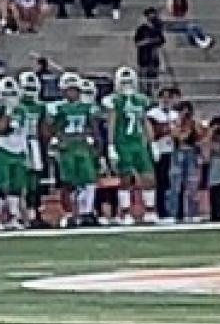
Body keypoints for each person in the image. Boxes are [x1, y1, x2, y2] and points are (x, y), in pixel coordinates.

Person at [47, 72, 103, 227]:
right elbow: (51, 128)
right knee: (69, 183)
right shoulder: (57, 107)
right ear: (63, 91)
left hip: (83, 147)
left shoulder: (87, 107)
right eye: (69, 89)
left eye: (75, 89)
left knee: (89, 180)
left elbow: (94, 128)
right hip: (67, 148)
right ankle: (70, 213)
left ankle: (87, 212)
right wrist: (55, 142)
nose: (73, 93)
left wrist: (98, 147)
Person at [103, 67, 157, 224]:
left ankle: (150, 210)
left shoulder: (140, 100)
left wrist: (152, 142)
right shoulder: (115, 101)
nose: (127, 84)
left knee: (148, 177)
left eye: (129, 81)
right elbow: (112, 123)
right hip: (123, 143)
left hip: (139, 143)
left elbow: (145, 121)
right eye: (124, 82)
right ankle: (125, 212)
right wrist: (111, 145)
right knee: (125, 179)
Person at [0, 77, 35, 230]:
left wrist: (27, 153)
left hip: (19, 152)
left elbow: (25, 133)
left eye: (12, 94)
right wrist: (8, 112)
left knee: (16, 188)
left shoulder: (23, 110)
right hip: (3, 150)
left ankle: (13, 217)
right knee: (0, 186)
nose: (9, 97)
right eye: (6, 94)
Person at [165, 100, 204, 222]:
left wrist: (193, 126)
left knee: (192, 185)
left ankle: (192, 213)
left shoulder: (194, 123)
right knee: (175, 186)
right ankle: (173, 213)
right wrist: (178, 124)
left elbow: (200, 136)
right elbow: (178, 137)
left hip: (191, 152)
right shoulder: (174, 123)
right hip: (178, 153)